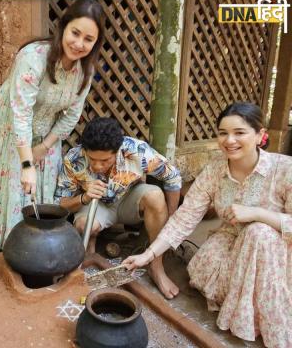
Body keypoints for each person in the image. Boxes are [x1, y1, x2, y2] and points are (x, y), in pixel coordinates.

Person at [123, 102, 292, 347]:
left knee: (259, 232)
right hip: (231, 238)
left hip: (276, 248)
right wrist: (148, 255)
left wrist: (258, 213)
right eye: (223, 133)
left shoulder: (284, 168)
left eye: (239, 132)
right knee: (201, 267)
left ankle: (267, 319)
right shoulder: (215, 170)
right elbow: (185, 217)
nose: (229, 140)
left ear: (259, 134)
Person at [0, 0, 104, 253]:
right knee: (16, 186)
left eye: (88, 39)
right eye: (75, 33)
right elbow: (20, 113)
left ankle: (35, 250)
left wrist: (44, 146)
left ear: (96, 43)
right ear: (63, 27)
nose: (79, 44)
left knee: (42, 193)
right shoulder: (33, 57)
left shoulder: (84, 72)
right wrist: (27, 163)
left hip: (47, 133)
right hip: (13, 129)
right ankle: (5, 249)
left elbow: (71, 116)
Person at [55, 117, 182, 299]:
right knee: (83, 225)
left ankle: (156, 267)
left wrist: (171, 221)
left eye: (105, 160)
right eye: (92, 159)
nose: (98, 166)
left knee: (155, 195)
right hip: (95, 205)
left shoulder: (136, 151)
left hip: (129, 200)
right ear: (84, 150)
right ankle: (91, 253)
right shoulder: (74, 158)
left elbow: (173, 177)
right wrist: (84, 197)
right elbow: (61, 204)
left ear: (118, 150)